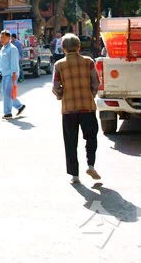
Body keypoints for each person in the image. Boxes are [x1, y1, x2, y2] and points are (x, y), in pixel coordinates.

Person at [51, 33, 101, 184]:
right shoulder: (88, 62)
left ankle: (75, 175)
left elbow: (55, 86)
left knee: (70, 141)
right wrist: (90, 95)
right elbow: (96, 83)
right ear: (79, 47)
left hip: (69, 109)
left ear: (63, 48)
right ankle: (91, 165)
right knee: (91, 137)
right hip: (87, 107)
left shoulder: (59, 65)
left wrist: (62, 96)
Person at [0, 30, 25, 119]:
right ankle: (19, 106)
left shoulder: (12, 49)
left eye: (3, 37)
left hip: (11, 74)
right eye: (1, 37)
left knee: (7, 93)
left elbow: (14, 62)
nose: (2, 39)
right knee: (6, 92)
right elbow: (0, 61)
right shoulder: (3, 48)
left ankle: (8, 113)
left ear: (9, 38)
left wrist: (14, 74)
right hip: (5, 73)